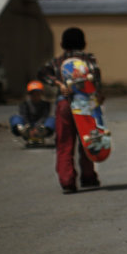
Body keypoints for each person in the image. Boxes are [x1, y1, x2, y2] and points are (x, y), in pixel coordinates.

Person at [39, 27, 102, 194]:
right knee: (87, 139)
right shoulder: (89, 60)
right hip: (86, 105)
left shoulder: (56, 62)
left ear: (62, 44)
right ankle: (88, 177)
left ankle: (67, 181)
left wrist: (59, 84)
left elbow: (42, 73)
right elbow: (96, 79)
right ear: (84, 43)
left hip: (64, 104)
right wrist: (99, 97)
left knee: (64, 142)